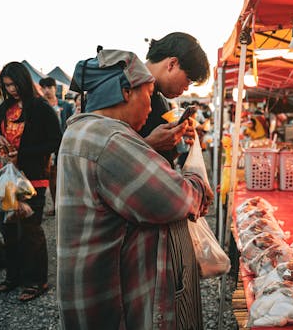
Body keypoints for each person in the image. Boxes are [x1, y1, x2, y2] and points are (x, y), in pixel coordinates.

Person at [57, 49, 213, 329]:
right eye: (148, 93)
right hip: (112, 297)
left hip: (93, 286)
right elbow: (174, 199)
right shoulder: (107, 138)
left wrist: (150, 145)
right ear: (126, 92)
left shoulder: (81, 129)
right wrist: (198, 181)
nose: (152, 107)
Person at [0, 62, 62, 301]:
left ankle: (36, 281)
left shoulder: (40, 108)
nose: (11, 89)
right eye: (7, 85)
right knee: (8, 226)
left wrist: (22, 154)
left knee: (30, 228)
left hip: (33, 178)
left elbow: (55, 140)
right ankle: (14, 276)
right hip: (7, 178)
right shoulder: (5, 107)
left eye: (13, 84)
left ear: (23, 81)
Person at [139, 32, 210, 168]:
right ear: (172, 64)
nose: (187, 89)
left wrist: (177, 143)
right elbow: (103, 157)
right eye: (188, 81)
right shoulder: (125, 88)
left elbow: (161, 159)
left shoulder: (160, 98)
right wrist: (150, 143)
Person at [39, 76, 74, 216]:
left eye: (49, 87)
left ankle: (67, 206)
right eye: (44, 88)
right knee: (52, 178)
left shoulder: (65, 105)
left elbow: (72, 123)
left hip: (65, 145)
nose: (47, 90)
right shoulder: (40, 105)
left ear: (55, 88)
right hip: (48, 147)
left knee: (67, 177)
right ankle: (55, 205)